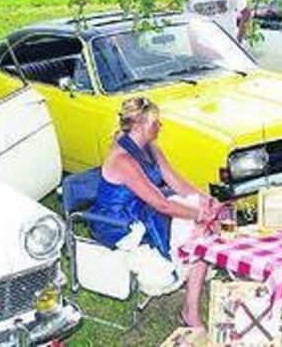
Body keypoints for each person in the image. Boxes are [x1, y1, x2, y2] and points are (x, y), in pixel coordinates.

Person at [89, 96, 223, 328]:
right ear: (140, 125)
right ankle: (187, 295)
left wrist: (206, 200)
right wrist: (198, 214)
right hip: (119, 224)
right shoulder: (122, 159)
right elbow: (162, 204)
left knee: (205, 229)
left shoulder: (150, 148)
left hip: (146, 211)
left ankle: (190, 312)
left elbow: (177, 183)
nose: (160, 126)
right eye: (156, 122)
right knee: (195, 231)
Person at [185, 0, 250, 41]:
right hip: (203, 41)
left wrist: (239, 38)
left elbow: (246, 13)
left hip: (228, 39)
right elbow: (187, 20)